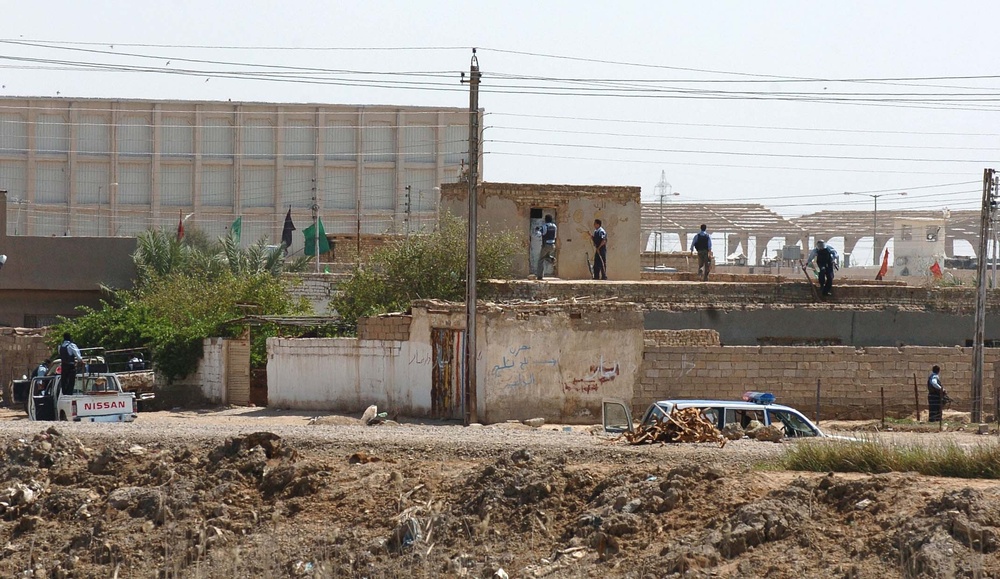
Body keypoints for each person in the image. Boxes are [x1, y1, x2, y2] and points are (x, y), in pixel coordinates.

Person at [534, 214, 557, 280]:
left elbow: (539, 234)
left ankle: (540, 276)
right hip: (553, 245)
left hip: (546, 245)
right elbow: (555, 236)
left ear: (545, 219)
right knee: (545, 256)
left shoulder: (544, 226)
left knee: (541, 260)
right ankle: (551, 259)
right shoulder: (554, 226)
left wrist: (537, 230)